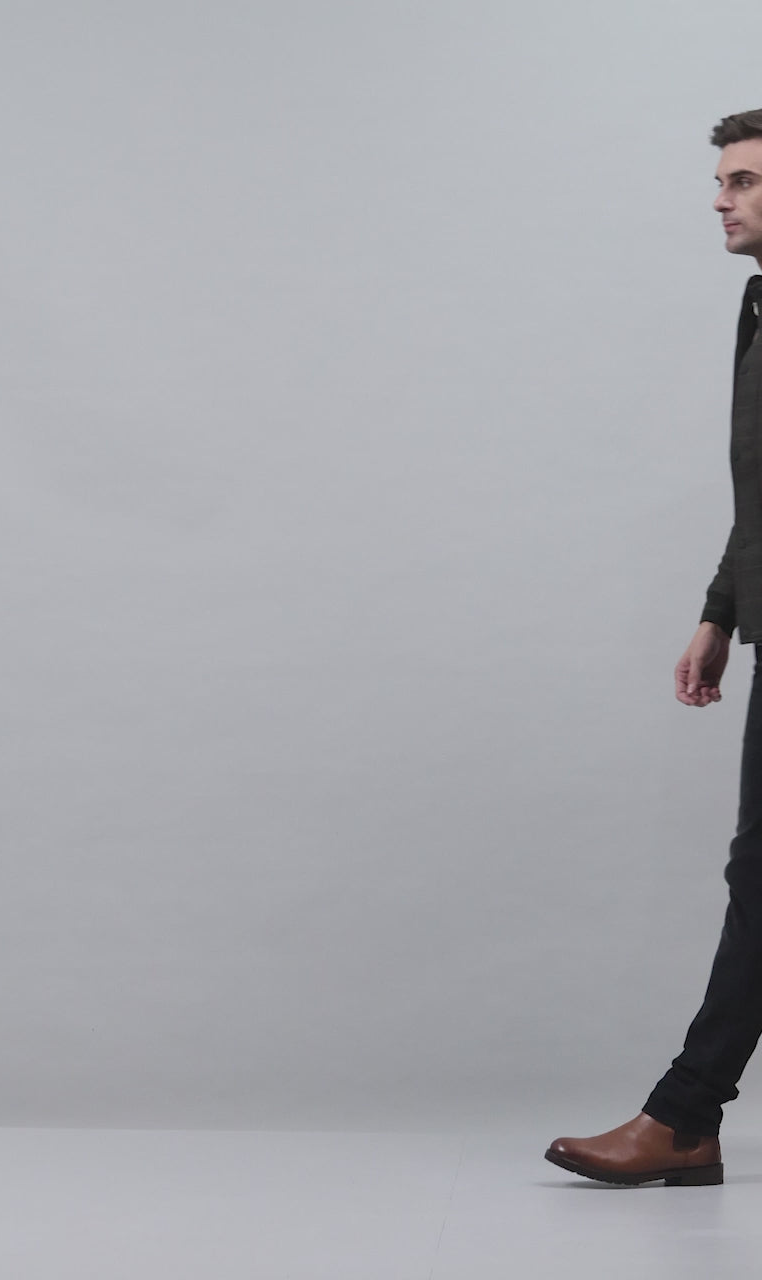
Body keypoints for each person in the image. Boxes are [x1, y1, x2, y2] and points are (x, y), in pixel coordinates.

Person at [545, 108, 762, 1187]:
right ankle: (688, 1118)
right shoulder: (759, 305)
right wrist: (721, 610)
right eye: (722, 179)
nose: (720, 199)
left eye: (744, 179)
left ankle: (684, 1116)